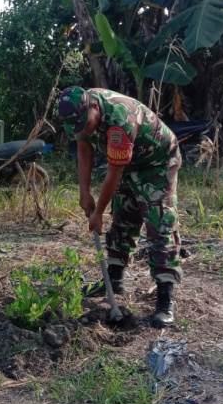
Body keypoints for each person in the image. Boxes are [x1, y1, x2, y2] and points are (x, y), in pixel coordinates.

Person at [57, 86, 182, 327]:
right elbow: (84, 147)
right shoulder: (79, 113)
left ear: (94, 107)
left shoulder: (119, 120)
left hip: (156, 163)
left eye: (85, 123)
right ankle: (114, 280)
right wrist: (84, 192)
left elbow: (114, 173)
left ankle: (165, 298)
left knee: (159, 223)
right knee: (124, 217)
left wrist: (97, 212)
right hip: (129, 162)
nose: (82, 128)